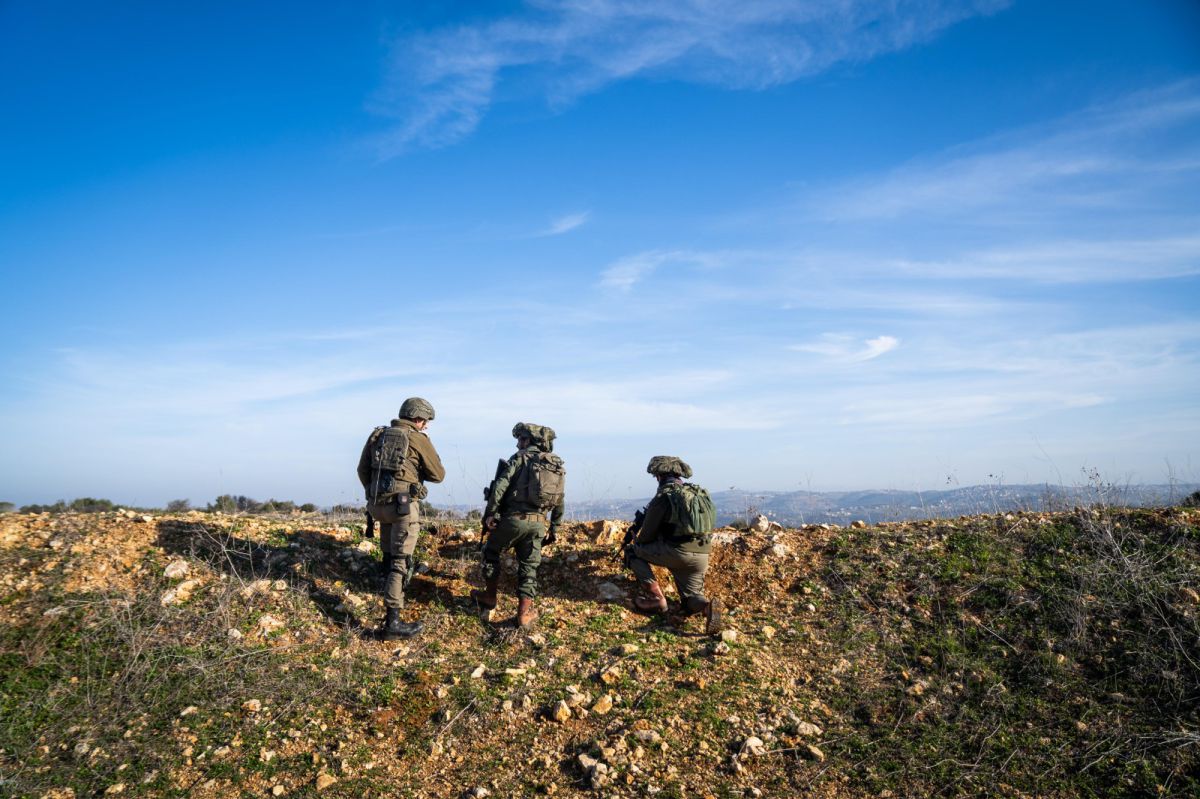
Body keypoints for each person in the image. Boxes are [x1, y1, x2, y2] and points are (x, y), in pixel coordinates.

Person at [357, 397, 445, 640]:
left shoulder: (377, 435)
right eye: (425, 421)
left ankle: (384, 588)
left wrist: (375, 492)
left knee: (387, 552)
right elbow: (438, 475)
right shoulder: (417, 438)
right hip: (403, 509)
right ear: (417, 418)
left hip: (377, 507)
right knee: (400, 561)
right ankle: (392, 623)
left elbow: (362, 470)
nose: (425, 426)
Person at [472, 423, 565, 629]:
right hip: (539, 524)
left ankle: (489, 597)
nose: (517, 443)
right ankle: (524, 614)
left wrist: (489, 515)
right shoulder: (555, 466)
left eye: (521, 439)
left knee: (491, 552)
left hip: (513, 520)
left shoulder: (519, 459)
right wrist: (554, 527)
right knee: (529, 567)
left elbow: (499, 487)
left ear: (530, 441)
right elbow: (560, 501)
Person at [625, 456, 722, 634]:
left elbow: (646, 536)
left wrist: (635, 538)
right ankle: (707, 607)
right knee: (691, 599)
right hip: (701, 555)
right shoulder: (695, 494)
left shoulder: (664, 497)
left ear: (659, 476)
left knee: (633, 551)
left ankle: (656, 599)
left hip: (676, 552)